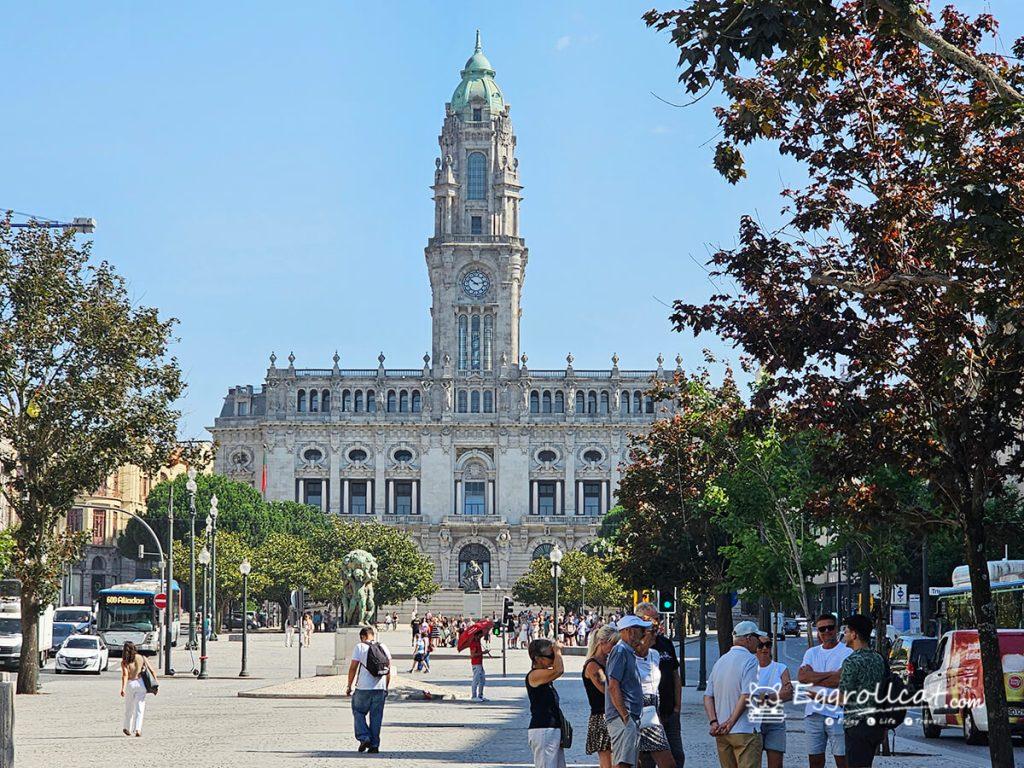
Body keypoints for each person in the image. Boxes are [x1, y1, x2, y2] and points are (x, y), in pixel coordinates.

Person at [704, 621, 763, 768]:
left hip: (721, 732)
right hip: (745, 729)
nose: (759, 641)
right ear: (749, 638)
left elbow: (708, 696)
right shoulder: (750, 660)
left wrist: (714, 722)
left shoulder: (720, 661)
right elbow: (747, 695)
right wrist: (731, 722)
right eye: (757, 637)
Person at [799, 614, 853, 768]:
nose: (826, 631)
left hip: (837, 714)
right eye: (822, 628)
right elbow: (802, 677)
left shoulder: (846, 652)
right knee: (815, 761)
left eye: (830, 627)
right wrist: (831, 674)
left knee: (842, 760)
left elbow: (840, 680)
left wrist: (814, 677)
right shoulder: (811, 653)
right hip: (813, 714)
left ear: (836, 629)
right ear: (818, 631)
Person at [634, 602, 684, 768]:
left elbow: (675, 675)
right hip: (647, 713)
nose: (658, 621)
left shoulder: (665, 643)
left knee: (677, 756)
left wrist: (677, 707)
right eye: (654, 618)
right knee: (646, 760)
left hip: (669, 712)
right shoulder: (634, 647)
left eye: (658, 618)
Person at [836, 615, 886, 768]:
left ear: (854, 634)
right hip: (876, 724)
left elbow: (842, 699)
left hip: (856, 725)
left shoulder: (851, 661)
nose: (844, 634)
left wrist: (818, 696)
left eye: (846, 630)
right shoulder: (878, 659)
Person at [606, 615, 651, 768]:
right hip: (623, 717)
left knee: (628, 762)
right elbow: (613, 685)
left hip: (629, 716)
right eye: (642, 631)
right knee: (622, 763)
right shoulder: (620, 651)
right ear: (630, 632)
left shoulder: (626, 651)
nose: (644, 634)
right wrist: (625, 716)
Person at [346, 625, 392, 754]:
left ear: (362, 637)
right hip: (380, 688)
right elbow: (388, 669)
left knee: (358, 712)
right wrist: (386, 687)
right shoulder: (383, 647)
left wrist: (349, 685)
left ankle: (364, 737)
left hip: (363, 688)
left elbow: (353, 668)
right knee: (376, 717)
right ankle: (374, 745)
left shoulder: (360, 647)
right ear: (373, 635)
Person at [584, 624, 620, 768]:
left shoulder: (608, 661)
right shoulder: (593, 665)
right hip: (602, 716)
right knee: (608, 763)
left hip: (610, 713)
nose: (615, 648)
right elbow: (607, 690)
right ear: (602, 642)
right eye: (613, 644)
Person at [526, 638, 567, 768]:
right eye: (551, 655)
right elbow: (558, 670)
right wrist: (558, 650)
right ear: (538, 658)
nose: (554, 658)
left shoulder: (545, 676)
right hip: (543, 730)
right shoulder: (534, 675)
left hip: (551, 729)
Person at [755, 634, 793, 768]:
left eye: (768, 645)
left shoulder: (780, 668)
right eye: (760, 645)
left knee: (776, 765)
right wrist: (777, 695)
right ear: (755, 647)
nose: (765, 648)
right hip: (753, 722)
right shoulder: (750, 668)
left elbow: (788, 694)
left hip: (775, 721)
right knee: (752, 763)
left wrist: (763, 697)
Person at [119, 641, 156, 737]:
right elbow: (152, 671)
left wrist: (123, 688)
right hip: (141, 684)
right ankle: (137, 729)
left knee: (129, 707)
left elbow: (125, 675)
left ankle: (127, 727)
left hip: (131, 684)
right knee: (140, 707)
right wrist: (155, 684)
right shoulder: (142, 657)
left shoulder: (125, 662)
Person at [469, 627, 490, 701]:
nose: (480, 637)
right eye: (480, 636)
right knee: (476, 680)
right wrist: (483, 653)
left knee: (482, 680)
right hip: (476, 664)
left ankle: (480, 695)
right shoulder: (473, 643)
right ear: (476, 635)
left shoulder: (478, 642)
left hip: (480, 663)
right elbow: (473, 655)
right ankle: (474, 696)